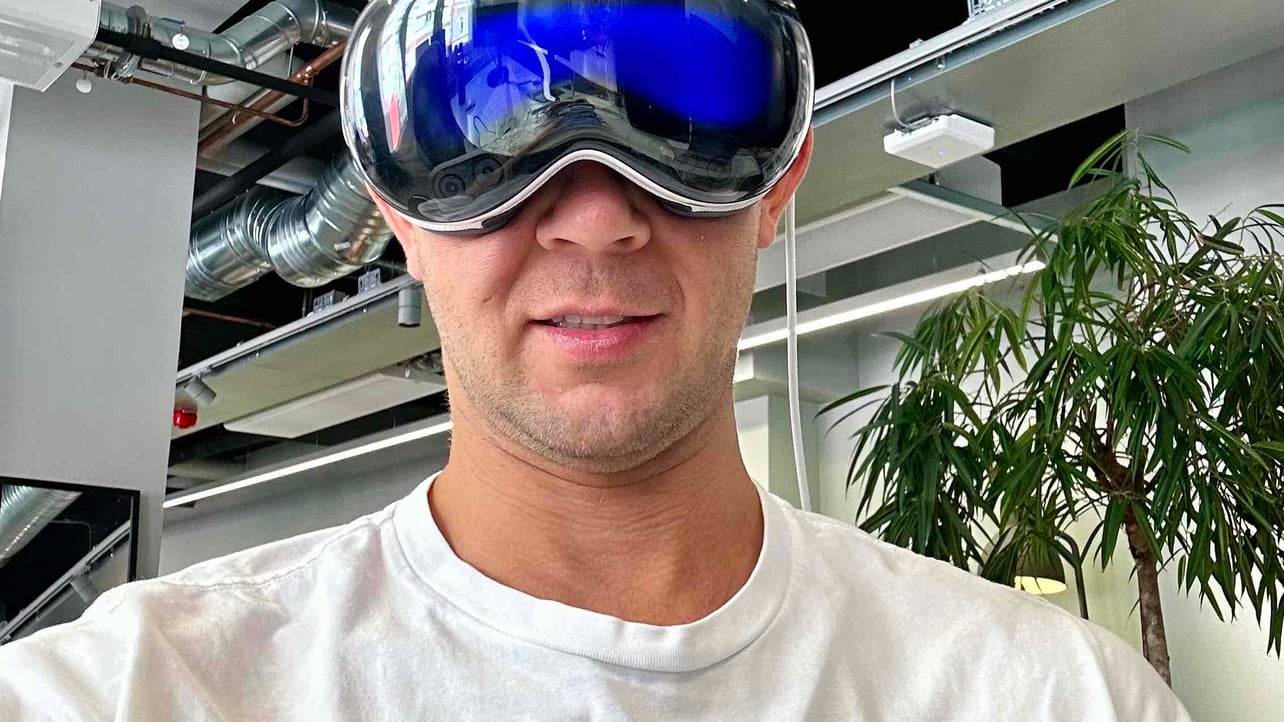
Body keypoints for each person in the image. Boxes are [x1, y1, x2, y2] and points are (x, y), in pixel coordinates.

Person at [0, 1, 1189, 719]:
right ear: (394, 210)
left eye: (678, 113)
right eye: (484, 126)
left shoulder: (1056, 697)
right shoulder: (141, 689)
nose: (594, 217)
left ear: (778, 180)